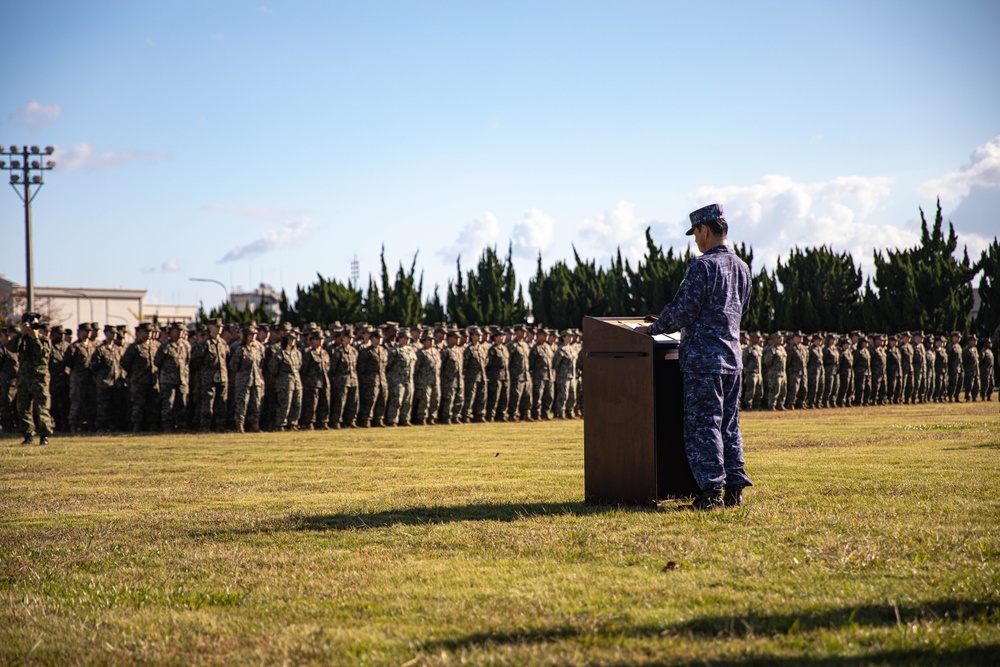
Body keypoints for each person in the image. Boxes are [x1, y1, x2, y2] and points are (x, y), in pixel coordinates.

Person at [635, 203, 752, 510]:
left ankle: (712, 492)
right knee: (729, 425)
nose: (696, 242)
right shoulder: (741, 267)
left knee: (704, 426)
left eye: (696, 234)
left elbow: (684, 310)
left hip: (704, 362)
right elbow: (741, 310)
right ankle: (735, 489)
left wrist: (655, 327)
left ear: (705, 230)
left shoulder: (702, 266)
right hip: (732, 360)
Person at [7, 312, 54, 445]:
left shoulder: (44, 340)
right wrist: (22, 333)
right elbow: (12, 348)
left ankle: (44, 435)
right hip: (24, 379)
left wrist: (34, 337)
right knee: (23, 407)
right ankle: (28, 435)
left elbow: (42, 355)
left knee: (42, 407)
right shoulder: (22, 340)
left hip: (40, 378)